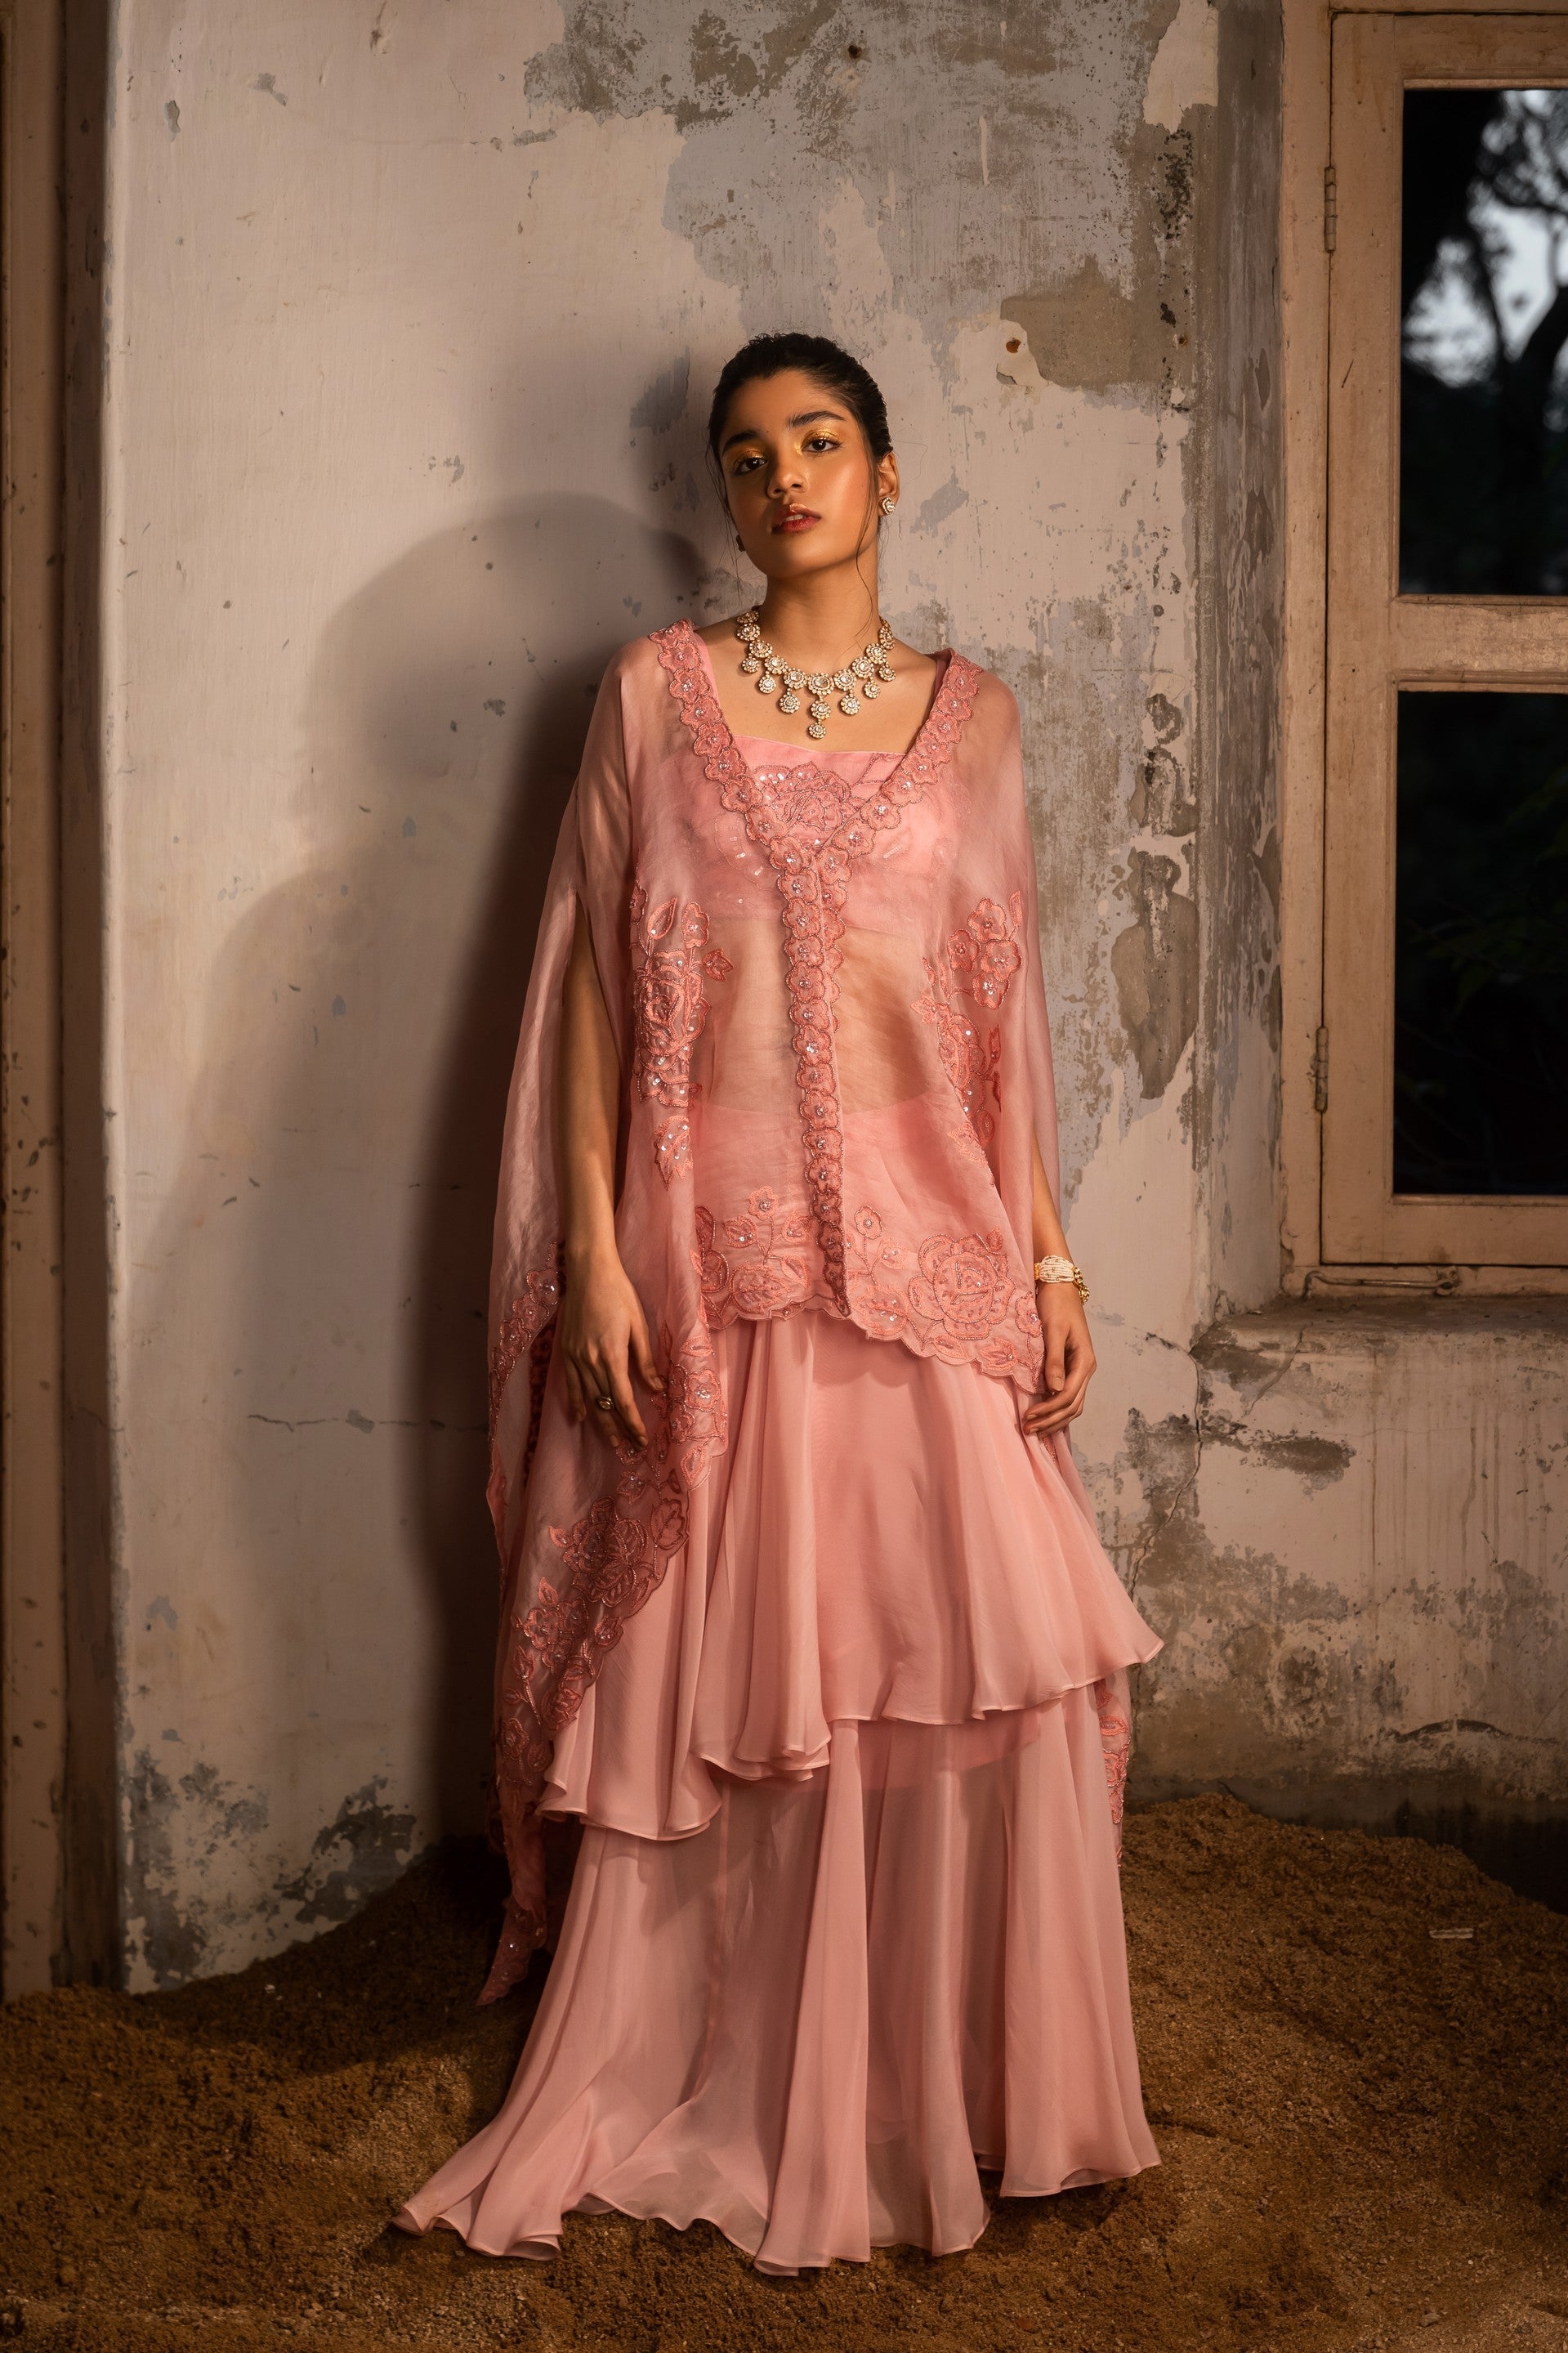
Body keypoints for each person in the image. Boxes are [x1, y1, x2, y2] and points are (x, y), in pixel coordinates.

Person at [394, 332, 1162, 2274]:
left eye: (821, 443)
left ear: (887, 475)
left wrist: (1054, 1256)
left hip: (929, 1266)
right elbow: (585, 984)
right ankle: (727, 2060)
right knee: (732, 1699)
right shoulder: (652, 702)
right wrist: (588, 1243)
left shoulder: (974, 721)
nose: (784, 479)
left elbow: (1000, 1020)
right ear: (721, 499)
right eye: (747, 458)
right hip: (710, 1270)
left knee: (969, 1680)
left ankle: (950, 2077)